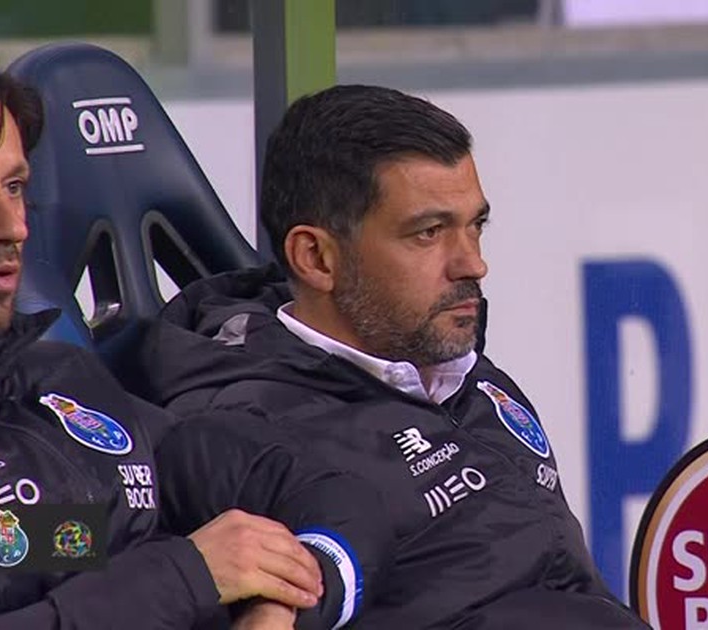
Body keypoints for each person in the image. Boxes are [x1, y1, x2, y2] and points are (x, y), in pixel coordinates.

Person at [143, 84, 651, 628]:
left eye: (475, 226)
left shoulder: (460, 368)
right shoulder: (241, 425)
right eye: (429, 233)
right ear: (316, 258)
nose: (473, 264)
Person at [0, 34, 323, 628]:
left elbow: (311, 484)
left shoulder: (40, 375)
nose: (12, 227)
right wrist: (185, 576)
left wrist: (275, 602)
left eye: (15, 186)